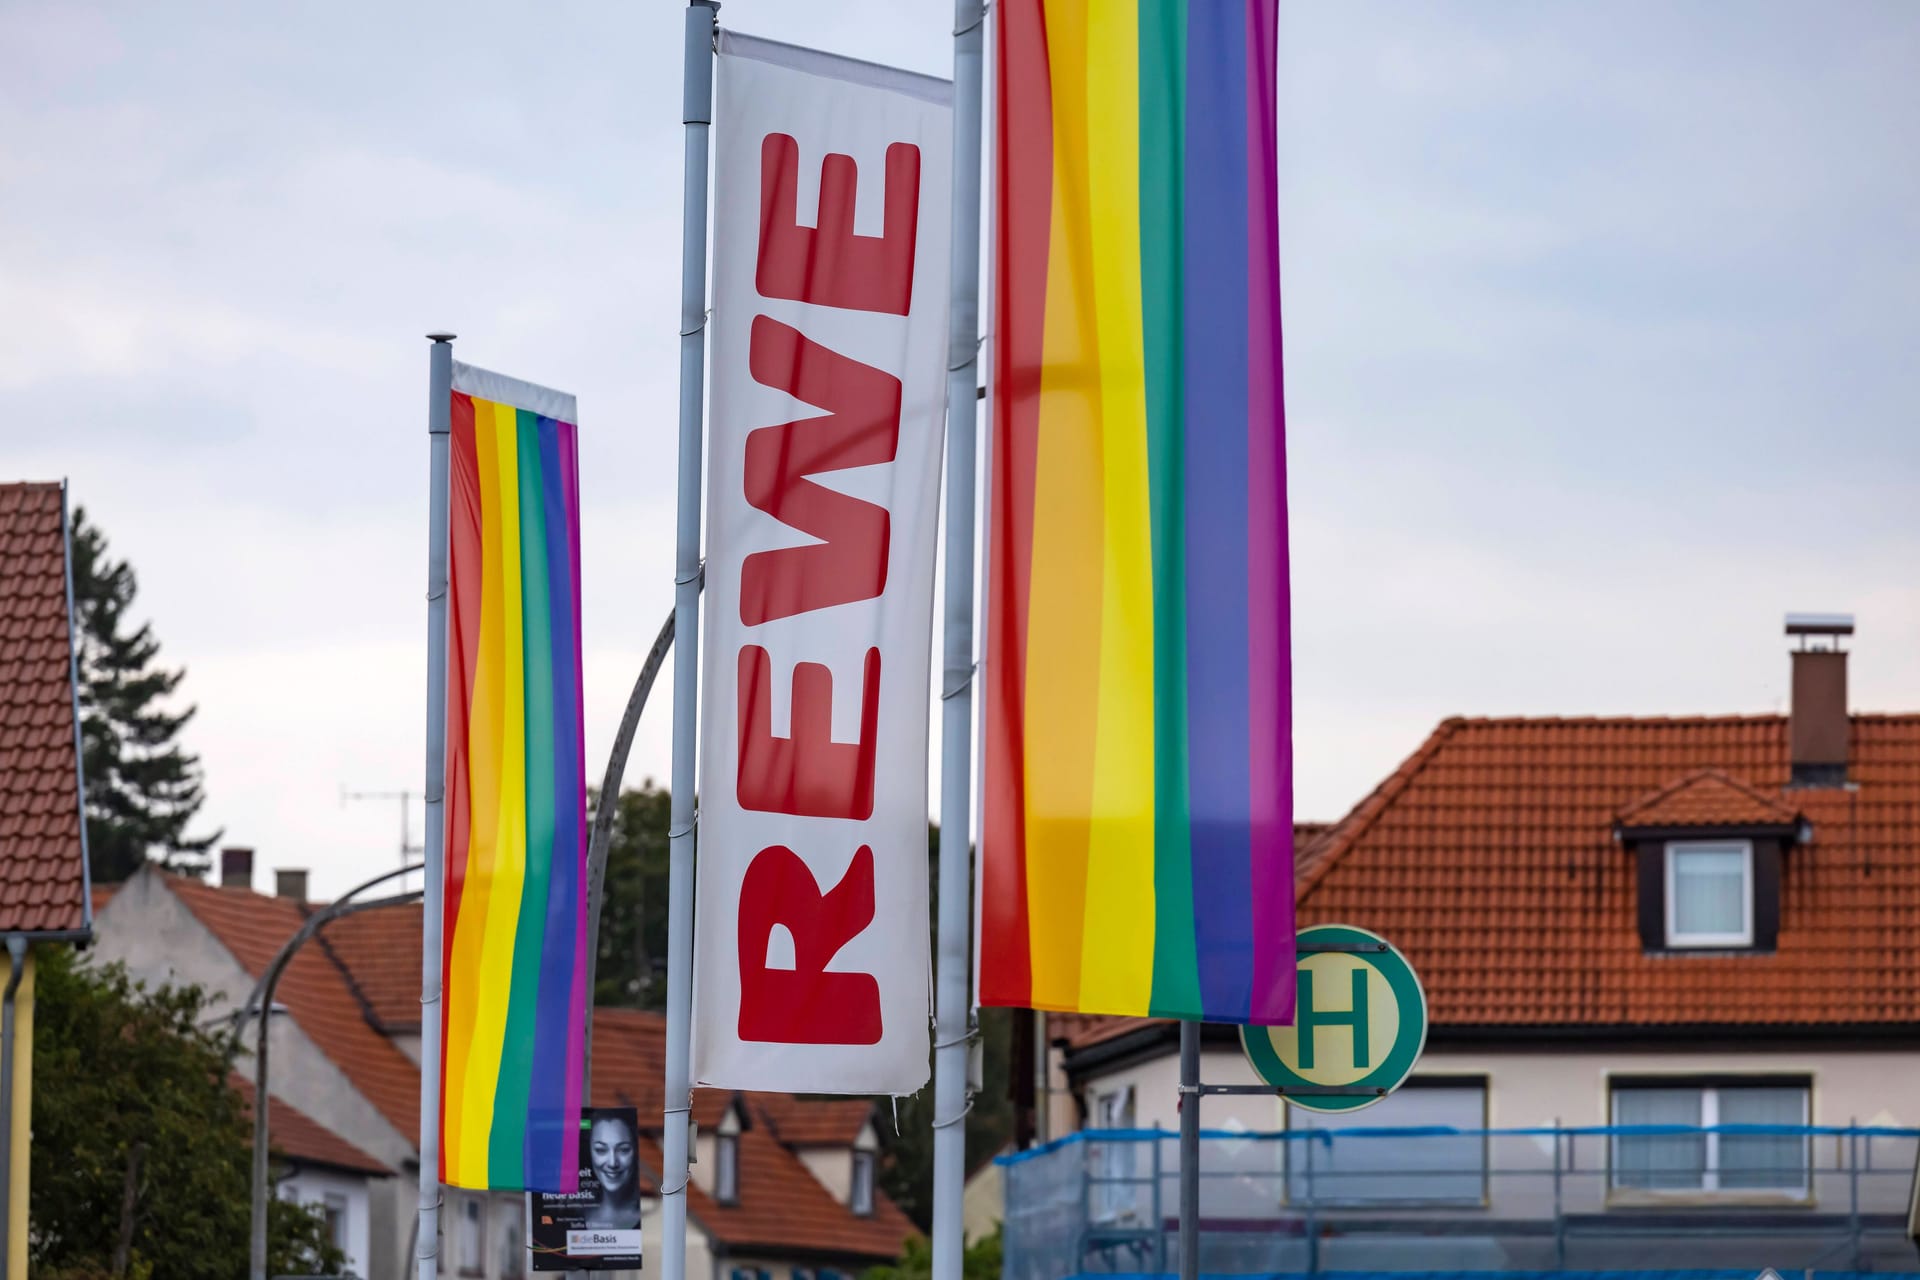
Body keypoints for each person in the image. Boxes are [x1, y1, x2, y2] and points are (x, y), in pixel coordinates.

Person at [584, 1113, 641, 1229]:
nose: (612, 1163)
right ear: (589, 1151)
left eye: (624, 1150)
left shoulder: (652, 1213)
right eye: (600, 1150)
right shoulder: (569, 1214)